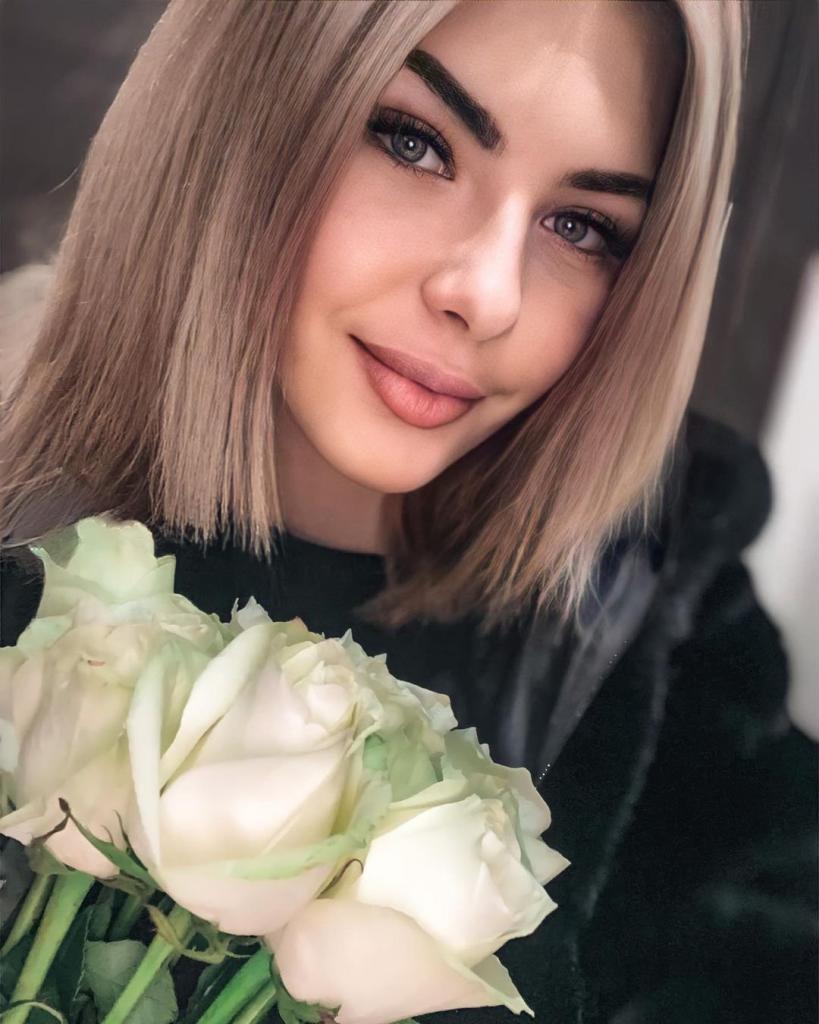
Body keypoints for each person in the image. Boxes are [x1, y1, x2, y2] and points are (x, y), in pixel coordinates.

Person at [0, 1, 815, 1021]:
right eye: (413, 142)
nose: (489, 295)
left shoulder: (642, 609)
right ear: (240, 107)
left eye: (582, 226)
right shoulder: (22, 533)